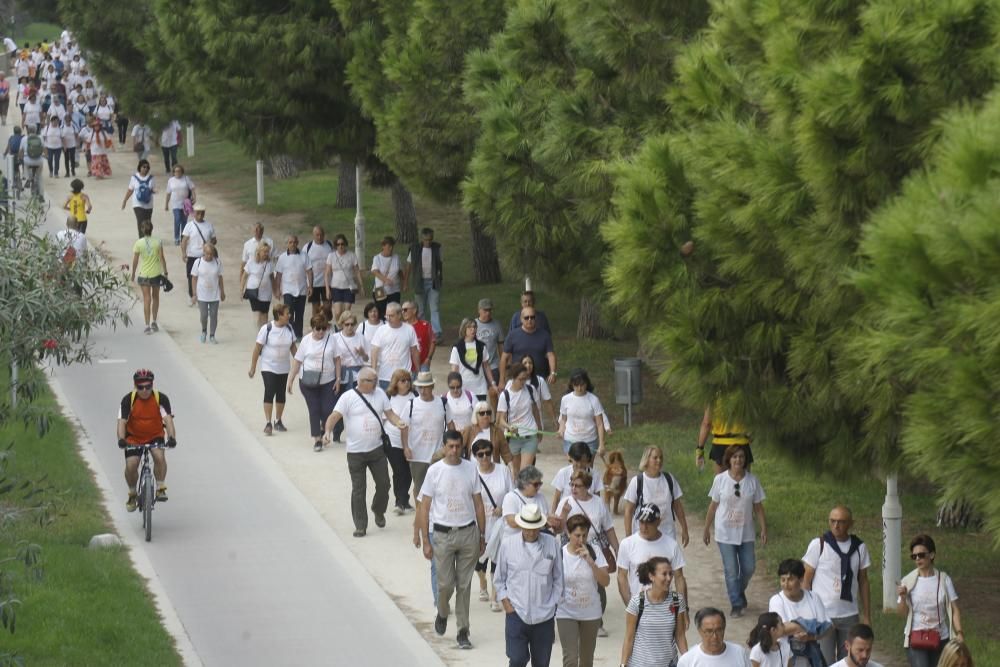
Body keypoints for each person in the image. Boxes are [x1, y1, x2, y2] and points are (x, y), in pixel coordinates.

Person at [417, 430, 486, 650]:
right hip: (442, 534)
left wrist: (481, 536)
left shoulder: (470, 468)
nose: (454, 451)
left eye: (458, 446)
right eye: (451, 446)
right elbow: (425, 506)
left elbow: (478, 504)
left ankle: (463, 631)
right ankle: (443, 611)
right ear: (444, 447)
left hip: (468, 533)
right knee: (445, 584)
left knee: (464, 586)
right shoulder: (434, 471)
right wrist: (425, 540)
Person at [323, 367, 408, 536]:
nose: (376, 383)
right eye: (372, 381)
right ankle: (360, 525)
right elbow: (334, 416)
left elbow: (390, 414)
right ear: (361, 382)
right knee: (359, 489)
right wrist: (327, 432)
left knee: (384, 484)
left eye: (376, 380)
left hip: (376, 450)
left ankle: (378, 510)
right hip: (355, 452)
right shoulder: (348, 397)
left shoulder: (380, 394)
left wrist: (399, 422)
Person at [495, 503, 563, 666]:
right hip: (516, 613)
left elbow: (559, 579)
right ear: (521, 525)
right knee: (517, 659)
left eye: (535, 527)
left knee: (541, 663)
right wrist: (506, 603)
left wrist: (552, 604)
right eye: (527, 527)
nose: (531, 532)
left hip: (544, 617)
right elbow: (499, 579)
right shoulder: (507, 545)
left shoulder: (552, 544)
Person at [704, 445, 768, 618]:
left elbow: (758, 507)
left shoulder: (752, 480)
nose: (738, 460)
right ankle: (737, 604)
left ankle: (738, 591)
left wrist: (763, 528)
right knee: (731, 570)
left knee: (749, 567)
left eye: (741, 457)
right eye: (734, 457)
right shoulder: (720, 480)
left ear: (745, 460)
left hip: (746, 532)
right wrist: (706, 528)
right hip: (725, 532)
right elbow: (713, 506)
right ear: (729, 460)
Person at [802, 506, 872, 662]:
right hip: (824, 614)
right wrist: (809, 611)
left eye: (841, 522)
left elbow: (863, 581)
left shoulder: (860, 548)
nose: (836, 525)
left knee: (848, 660)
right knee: (824, 659)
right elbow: (806, 580)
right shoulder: (819, 544)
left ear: (851, 523)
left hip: (849, 614)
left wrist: (867, 615)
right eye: (832, 521)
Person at [556, 469, 618, 638]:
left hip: (593, 547)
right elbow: (558, 529)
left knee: (598, 584)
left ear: (588, 487)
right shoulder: (566, 502)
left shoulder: (598, 503)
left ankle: (597, 621)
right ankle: (571, 617)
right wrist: (563, 514)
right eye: (571, 484)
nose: (573, 489)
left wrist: (617, 548)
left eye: (578, 485)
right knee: (570, 583)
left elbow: (608, 527)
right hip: (570, 547)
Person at [895, 534, 963, 667]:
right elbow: (902, 614)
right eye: (914, 556)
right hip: (916, 639)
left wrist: (959, 633)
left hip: (941, 638)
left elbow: (954, 609)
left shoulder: (944, 580)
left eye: (921, 555)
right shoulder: (908, 581)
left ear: (932, 555)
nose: (917, 559)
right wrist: (903, 598)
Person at [616, 503, 689, 624]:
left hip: (665, 605)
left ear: (658, 522)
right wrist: (630, 605)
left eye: (648, 522)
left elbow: (679, 578)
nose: (644, 527)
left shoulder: (671, 545)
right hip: (639, 605)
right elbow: (621, 576)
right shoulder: (627, 544)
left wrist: (683, 609)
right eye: (641, 522)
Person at [117, 369, 177, 511]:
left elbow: (168, 420)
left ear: (152, 385)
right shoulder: (128, 400)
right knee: (131, 465)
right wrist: (121, 439)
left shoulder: (160, 398)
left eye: (148, 387)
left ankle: (160, 486)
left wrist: (172, 437)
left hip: (155, 435)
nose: (144, 390)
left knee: (159, 456)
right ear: (135, 385)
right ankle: (132, 493)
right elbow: (121, 422)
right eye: (140, 387)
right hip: (133, 437)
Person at [558, 514, 611, 667]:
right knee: (571, 659)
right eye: (577, 536)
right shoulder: (561, 554)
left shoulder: (594, 551)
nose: (581, 540)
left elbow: (605, 581)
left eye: (584, 535)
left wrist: (590, 562)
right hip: (566, 611)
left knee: (587, 660)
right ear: (568, 533)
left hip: (591, 613)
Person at [621, 556, 688, 667]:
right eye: (664, 574)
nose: (669, 578)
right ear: (651, 576)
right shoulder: (637, 602)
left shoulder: (677, 601)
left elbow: (680, 636)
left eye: (670, 574)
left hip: (668, 664)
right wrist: (622, 665)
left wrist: (688, 661)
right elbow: (629, 638)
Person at [471, 438, 512, 611]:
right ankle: (482, 582)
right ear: (475, 456)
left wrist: (504, 508)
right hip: (479, 524)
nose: (485, 457)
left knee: (497, 561)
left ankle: (495, 597)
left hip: (499, 524)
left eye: (488, 453)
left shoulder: (503, 471)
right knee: (478, 563)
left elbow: (512, 493)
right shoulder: (471, 472)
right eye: (480, 454)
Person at [769, 559, 833, 667]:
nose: (785, 584)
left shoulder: (814, 598)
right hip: (787, 658)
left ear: (801, 579)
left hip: (812, 657)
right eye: (782, 580)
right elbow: (781, 630)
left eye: (790, 579)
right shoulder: (777, 600)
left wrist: (809, 637)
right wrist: (813, 626)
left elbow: (828, 628)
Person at [623, 445, 690, 546]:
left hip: (667, 532)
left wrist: (685, 529)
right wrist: (628, 537)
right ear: (647, 460)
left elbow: (678, 506)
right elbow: (628, 511)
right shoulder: (637, 482)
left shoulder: (669, 479)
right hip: (643, 534)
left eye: (661, 457)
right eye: (655, 458)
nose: (659, 460)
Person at [288, 314, 337, 451]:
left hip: (328, 379)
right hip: (308, 381)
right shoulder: (305, 341)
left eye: (324, 328)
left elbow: (337, 359)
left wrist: (338, 379)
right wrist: (290, 380)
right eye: (318, 328)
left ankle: (323, 428)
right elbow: (297, 361)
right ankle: (317, 439)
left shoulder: (331, 339)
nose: (321, 331)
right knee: (314, 409)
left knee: (328, 409)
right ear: (312, 328)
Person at [248, 303, 296, 436]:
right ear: (279, 315)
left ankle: (278, 420)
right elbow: (257, 348)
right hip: (268, 365)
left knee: (281, 393)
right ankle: (268, 422)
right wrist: (253, 367)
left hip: (283, 366)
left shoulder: (289, 329)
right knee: (270, 390)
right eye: (287, 313)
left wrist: (299, 363)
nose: (289, 315)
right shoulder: (267, 329)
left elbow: (293, 347)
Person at [402, 372, 446, 511]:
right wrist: (406, 447)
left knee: (439, 488)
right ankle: (421, 517)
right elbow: (404, 427)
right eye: (420, 387)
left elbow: (450, 426)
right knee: (419, 488)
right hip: (417, 455)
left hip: (438, 455)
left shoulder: (442, 403)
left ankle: (436, 517)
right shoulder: (411, 404)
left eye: (426, 387)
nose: (423, 390)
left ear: (432, 386)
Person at [497, 361, 544, 474]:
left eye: (525, 378)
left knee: (525, 472)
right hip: (513, 437)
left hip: (530, 436)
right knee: (515, 472)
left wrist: (539, 428)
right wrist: (509, 426)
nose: (523, 382)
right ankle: (517, 491)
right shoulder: (505, 395)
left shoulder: (531, 390)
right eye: (521, 379)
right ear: (513, 378)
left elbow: (536, 411)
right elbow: (500, 420)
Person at [331, 310, 370, 443]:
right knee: (339, 405)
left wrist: (362, 353)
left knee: (356, 406)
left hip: (356, 376)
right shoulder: (335, 338)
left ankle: (356, 433)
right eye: (346, 324)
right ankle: (337, 431)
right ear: (341, 324)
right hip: (340, 375)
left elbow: (367, 358)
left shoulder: (360, 337)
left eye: (352, 324)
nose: (349, 327)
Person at [500, 306, 557, 386]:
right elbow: (504, 358)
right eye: (526, 318)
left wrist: (553, 373)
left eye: (532, 317)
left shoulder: (545, 335)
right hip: (518, 379)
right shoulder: (512, 335)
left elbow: (551, 355)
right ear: (521, 319)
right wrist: (501, 380)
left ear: (536, 318)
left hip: (539, 379)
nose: (529, 320)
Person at [384, 369, 416, 513]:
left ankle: (404, 499)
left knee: (409, 472)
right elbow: (384, 417)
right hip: (393, 441)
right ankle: (400, 501)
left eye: (408, 380)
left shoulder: (415, 396)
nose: (406, 383)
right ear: (395, 383)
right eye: (403, 380)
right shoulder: (388, 397)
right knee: (399, 471)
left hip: (411, 441)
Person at [403, 227, 443, 342]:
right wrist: (405, 282)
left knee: (434, 308)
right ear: (422, 238)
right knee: (420, 309)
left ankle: (436, 333)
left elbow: (440, 264)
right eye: (426, 240)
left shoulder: (437, 248)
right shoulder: (415, 249)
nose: (428, 242)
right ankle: (421, 331)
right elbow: (408, 266)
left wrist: (440, 278)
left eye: (430, 239)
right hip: (420, 282)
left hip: (433, 282)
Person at [678, 607, 751, 667]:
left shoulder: (740, 654)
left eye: (719, 630)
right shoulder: (687, 661)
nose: (715, 637)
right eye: (709, 631)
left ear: (724, 628)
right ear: (699, 631)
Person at [370, 302, 419, 390]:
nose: (388, 318)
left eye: (391, 316)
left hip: (404, 377)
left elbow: (414, 351)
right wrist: (373, 371)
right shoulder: (381, 330)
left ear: (399, 315)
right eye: (387, 316)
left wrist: (418, 371)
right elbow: (374, 351)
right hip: (385, 377)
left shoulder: (409, 329)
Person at [558, 369, 606, 457]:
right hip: (570, 440)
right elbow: (563, 418)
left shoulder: (594, 400)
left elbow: (599, 424)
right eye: (576, 385)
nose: (579, 388)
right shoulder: (565, 399)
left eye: (582, 385)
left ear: (587, 384)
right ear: (572, 384)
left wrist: (601, 444)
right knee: (574, 467)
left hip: (589, 441)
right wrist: (561, 429)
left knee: (587, 468)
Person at [130, 220, 167, 335]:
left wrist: (133, 274)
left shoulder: (138, 243)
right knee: (155, 297)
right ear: (152, 229)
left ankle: (146, 325)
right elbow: (162, 258)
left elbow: (135, 260)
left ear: (142, 229)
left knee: (147, 299)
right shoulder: (158, 242)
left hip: (144, 274)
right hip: (156, 274)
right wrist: (165, 272)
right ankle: (154, 322)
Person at [698, 400, 753, 475]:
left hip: (720, 445)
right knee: (744, 483)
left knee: (721, 483)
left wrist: (700, 449)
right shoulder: (743, 391)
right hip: (741, 444)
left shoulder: (713, 395)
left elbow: (706, 423)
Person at [502, 465, 557, 539]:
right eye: (536, 484)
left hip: (538, 540)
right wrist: (537, 521)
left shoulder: (541, 497)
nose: (539, 487)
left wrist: (551, 521)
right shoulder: (511, 497)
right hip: (515, 540)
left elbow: (545, 521)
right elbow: (512, 522)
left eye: (540, 484)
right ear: (525, 484)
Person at [550, 442, 603, 513]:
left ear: (588, 459)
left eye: (583, 461)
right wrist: (553, 514)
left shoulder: (595, 475)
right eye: (577, 461)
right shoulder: (563, 472)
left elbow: (597, 498)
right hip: (566, 513)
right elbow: (556, 498)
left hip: (588, 513)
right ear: (570, 457)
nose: (580, 465)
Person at [450, 318, 495, 401]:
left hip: (480, 387)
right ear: (464, 329)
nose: (472, 329)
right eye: (469, 327)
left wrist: (493, 383)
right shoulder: (457, 348)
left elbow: (486, 366)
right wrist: (454, 386)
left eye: (474, 327)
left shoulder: (481, 346)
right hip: (464, 387)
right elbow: (454, 370)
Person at [324, 233, 364, 323]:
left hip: (349, 288)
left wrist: (361, 286)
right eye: (338, 244)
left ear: (345, 244)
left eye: (342, 244)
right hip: (336, 287)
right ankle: (339, 328)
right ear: (335, 245)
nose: (340, 246)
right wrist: (327, 289)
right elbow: (327, 274)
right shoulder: (331, 256)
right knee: (338, 312)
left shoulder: (352, 255)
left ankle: (344, 330)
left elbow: (357, 271)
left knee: (346, 312)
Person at [180, 203, 216, 302]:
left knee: (205, 276)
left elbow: (214, 240)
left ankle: (204, 297)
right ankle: (192, 295)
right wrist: (183, 253)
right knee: (191, 276)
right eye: (198, 213)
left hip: (205, 256)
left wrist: (209, 244)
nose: (200, 215)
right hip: (192, 255)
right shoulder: (189, 226)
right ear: (194, 214)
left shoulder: (209, 225)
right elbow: (184, 241)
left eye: (202, 213)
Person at [190, 242, 225, 344]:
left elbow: (220, 277)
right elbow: (194, 278)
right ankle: (204, 330)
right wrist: (194, 294)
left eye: (211, 254)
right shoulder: (198, 262)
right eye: (208, 254)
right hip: (202, 294)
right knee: (204, 315)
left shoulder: (217, 262)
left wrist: (222, 291)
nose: (210, 256)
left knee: (214, 315)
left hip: (214, 293)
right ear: (204, 252)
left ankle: (212, 335)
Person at [275, 235, 308, 340]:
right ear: (287, 244)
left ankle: (298, 334)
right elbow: (279, 275)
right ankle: (289, 333)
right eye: (290, 242)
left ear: (297, 243)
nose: (292, 244)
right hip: (288, 290)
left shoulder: (304, 256)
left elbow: (309, 271)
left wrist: (310, 285)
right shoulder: (282, 257)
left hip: (301, 289)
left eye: (294, 242)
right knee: (288, 313)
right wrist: (277, 289)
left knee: (299, 313)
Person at [461, 400, 511, 464]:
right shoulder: (469, 430)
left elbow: (506, 453)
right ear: (476, 415)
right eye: (482, 413)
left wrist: (512, 470)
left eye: (488, 412)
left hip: (492, 469)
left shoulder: (497, 431)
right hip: (472, 470)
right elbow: (459, 448)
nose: (485, 415)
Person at [241, 243, 275, 329]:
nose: (266, 253)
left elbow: (272, 278)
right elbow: (244, 276)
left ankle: (263, 333)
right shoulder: (251, 262)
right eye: (264, 251)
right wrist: (241, 290)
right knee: (257, 314)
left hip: (266, 293)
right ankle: (257, 334)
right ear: (259, 251)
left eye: (268, 251)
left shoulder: (270, 263)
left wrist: (276, 290)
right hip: (253, 291)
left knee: (265, 314)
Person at [304, 226, 334, 319]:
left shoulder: (329, 245)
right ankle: (316, 324)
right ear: (313, 235)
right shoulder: (307, 247)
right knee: (315, 306)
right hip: (314, 282)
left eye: (321, 235)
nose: (319, 237)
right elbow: (303, 264)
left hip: (327, 282)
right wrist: (307, 284)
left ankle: (325, 324)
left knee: (327, 305)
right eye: (317, 235)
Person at [121, 159, 156, 237]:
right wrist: (125, 201)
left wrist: (154, 191)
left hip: (148, 203)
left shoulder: (151, 178)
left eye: (147, 167)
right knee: (141, 221)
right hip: (137, 204)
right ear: (140, 167)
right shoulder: (134, 177)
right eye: (144, 167)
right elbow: (130, 190)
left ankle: (148, 237)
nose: (145, 169)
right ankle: (141, 238)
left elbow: (152, 189)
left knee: (148, 222)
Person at [371, 235, 402, 320]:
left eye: (392, 246)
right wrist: (385, 280)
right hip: (380, 289)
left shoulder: (396, 257)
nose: (391, 249)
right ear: (383, 246)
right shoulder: (377, 258)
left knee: (394, 311)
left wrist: (404, 282)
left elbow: (399, 270)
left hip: (394, 289)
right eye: (389, 246)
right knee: (381, 312)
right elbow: (374, 271)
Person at [475, 297, 504, 382]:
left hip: (493, 366)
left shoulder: (497, 325)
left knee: (494, 392)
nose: (488, 313)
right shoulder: (473, 325)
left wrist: (503, 364)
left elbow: (501, 346)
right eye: (485, 311)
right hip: (477, 366)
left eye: (489, 310)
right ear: (479, 310)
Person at [165, 164, 195, 245]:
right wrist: (166, 204)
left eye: (179, 171)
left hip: (185, 204)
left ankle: (183, 237)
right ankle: (176, 237)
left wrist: (194, 197)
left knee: (184, 221)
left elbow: (192, 188)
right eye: (176, 171)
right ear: (173, 172)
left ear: (182, 172)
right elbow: (168, 193)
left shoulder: (186, 179)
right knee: (177, 220)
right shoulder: (171, 180)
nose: (177, 173)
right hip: (175, 204)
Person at [401, 300, 435, 371]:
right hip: (406, 366)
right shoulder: (401, 327)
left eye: (405, 310)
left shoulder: (425, 325)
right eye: (402, 310)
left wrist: (428, 358)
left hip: (423, 364)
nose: (403, 312)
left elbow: (433, 342)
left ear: (414, 310)